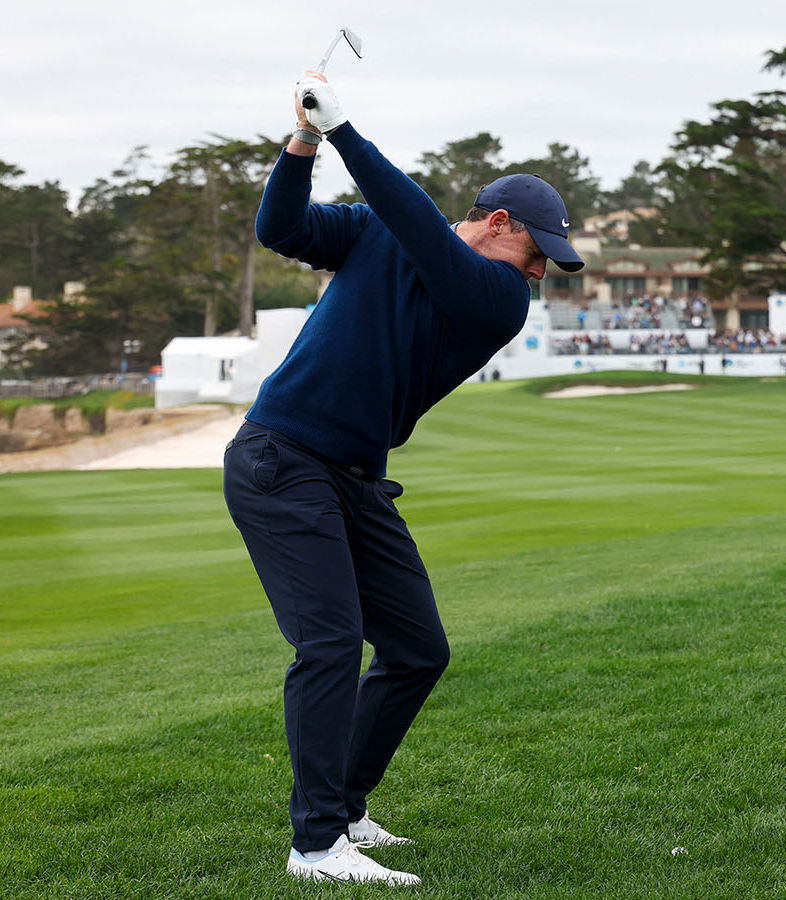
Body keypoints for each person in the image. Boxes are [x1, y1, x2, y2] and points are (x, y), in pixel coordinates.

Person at [223, 71, 584, 886]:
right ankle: (315, 845)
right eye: (536, 255)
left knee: (418, 649)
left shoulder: (497, 299)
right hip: (281, 459)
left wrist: (348, 130)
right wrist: (307, 142)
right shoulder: (383, 235)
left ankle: (344, 807)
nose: (539, 275)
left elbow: (418, 226)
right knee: (328, 643)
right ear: (498, 224)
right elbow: (280, 226)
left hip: (351, 477)